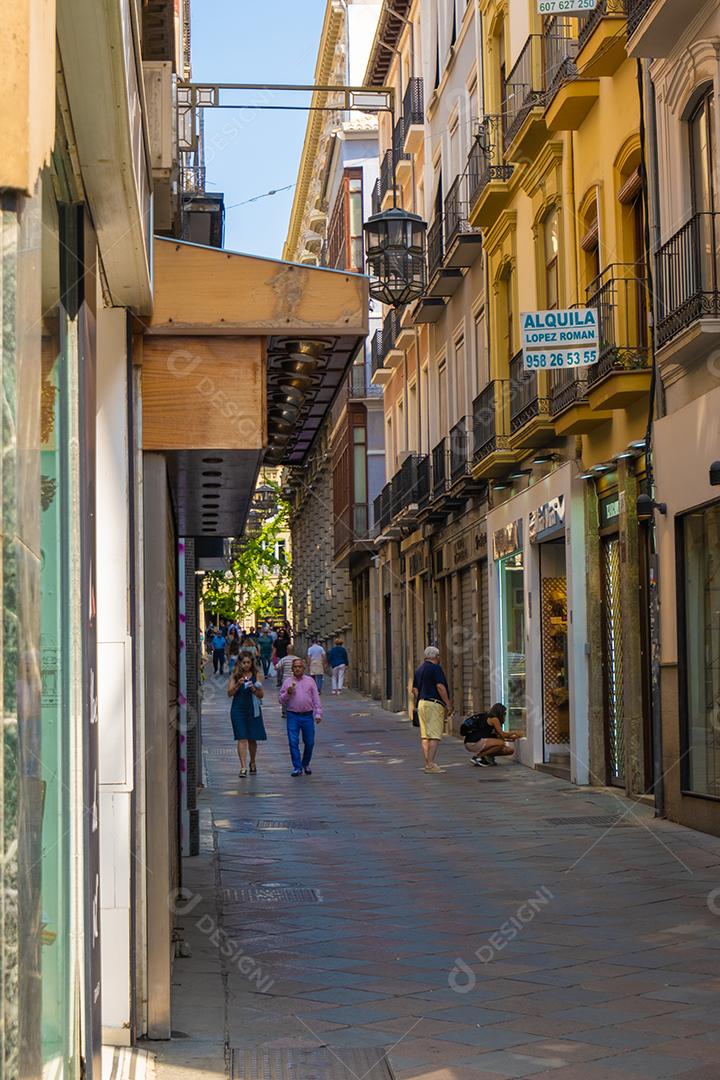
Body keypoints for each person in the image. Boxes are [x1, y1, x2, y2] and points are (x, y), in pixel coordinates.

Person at [412, 646, 453, 774]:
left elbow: (414, 689)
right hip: (434, 704)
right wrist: (448, 703)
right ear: (436, 656)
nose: (440, 658)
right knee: (435, 735)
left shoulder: (419, 669)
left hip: (422, 703)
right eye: (439, 655)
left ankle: (427, 762)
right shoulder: (436, 669)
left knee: (425, 736)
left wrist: (419, 700)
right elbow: (440, 686)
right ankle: (430, 765)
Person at [279, 657, 322, 777]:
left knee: (310, 742)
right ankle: (297, 767)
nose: (297, 669)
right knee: (293, 741)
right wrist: (288, 693)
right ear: (292, 669)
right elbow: (281, 700)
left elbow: (315, 698)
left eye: (299, 667)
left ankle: (305, 763)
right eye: (295, 667)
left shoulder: (310, 681)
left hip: (307, 716)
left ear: (304, 668)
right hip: (293, 715)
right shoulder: (288, 682)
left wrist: (318, 713)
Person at [227, 654, 266, 777]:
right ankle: (243, 767)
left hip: (252, 709)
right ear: (240, 664)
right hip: (238, 709)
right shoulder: (235, 676)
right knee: (241, 737)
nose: (246, 665)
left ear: (252, 663)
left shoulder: (257, 675)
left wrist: (253, 688)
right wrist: (238, 685)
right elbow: (229, 693)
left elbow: (261, 695)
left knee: (252, 738)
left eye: (248, 662)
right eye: (243, 662)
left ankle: (252, 762)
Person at [463, 703, 522, 768]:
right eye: (504, 713)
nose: (505, 715)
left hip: (473, 742)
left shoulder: (490, 718)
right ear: (500, 712)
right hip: (473, 742)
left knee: (509, 750)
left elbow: (499, 735)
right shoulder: (494, 719)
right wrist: (514, 732)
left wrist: (512, 738)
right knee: (501, 743)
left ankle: (486, 758)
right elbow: (502, 734)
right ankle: (478, 757)